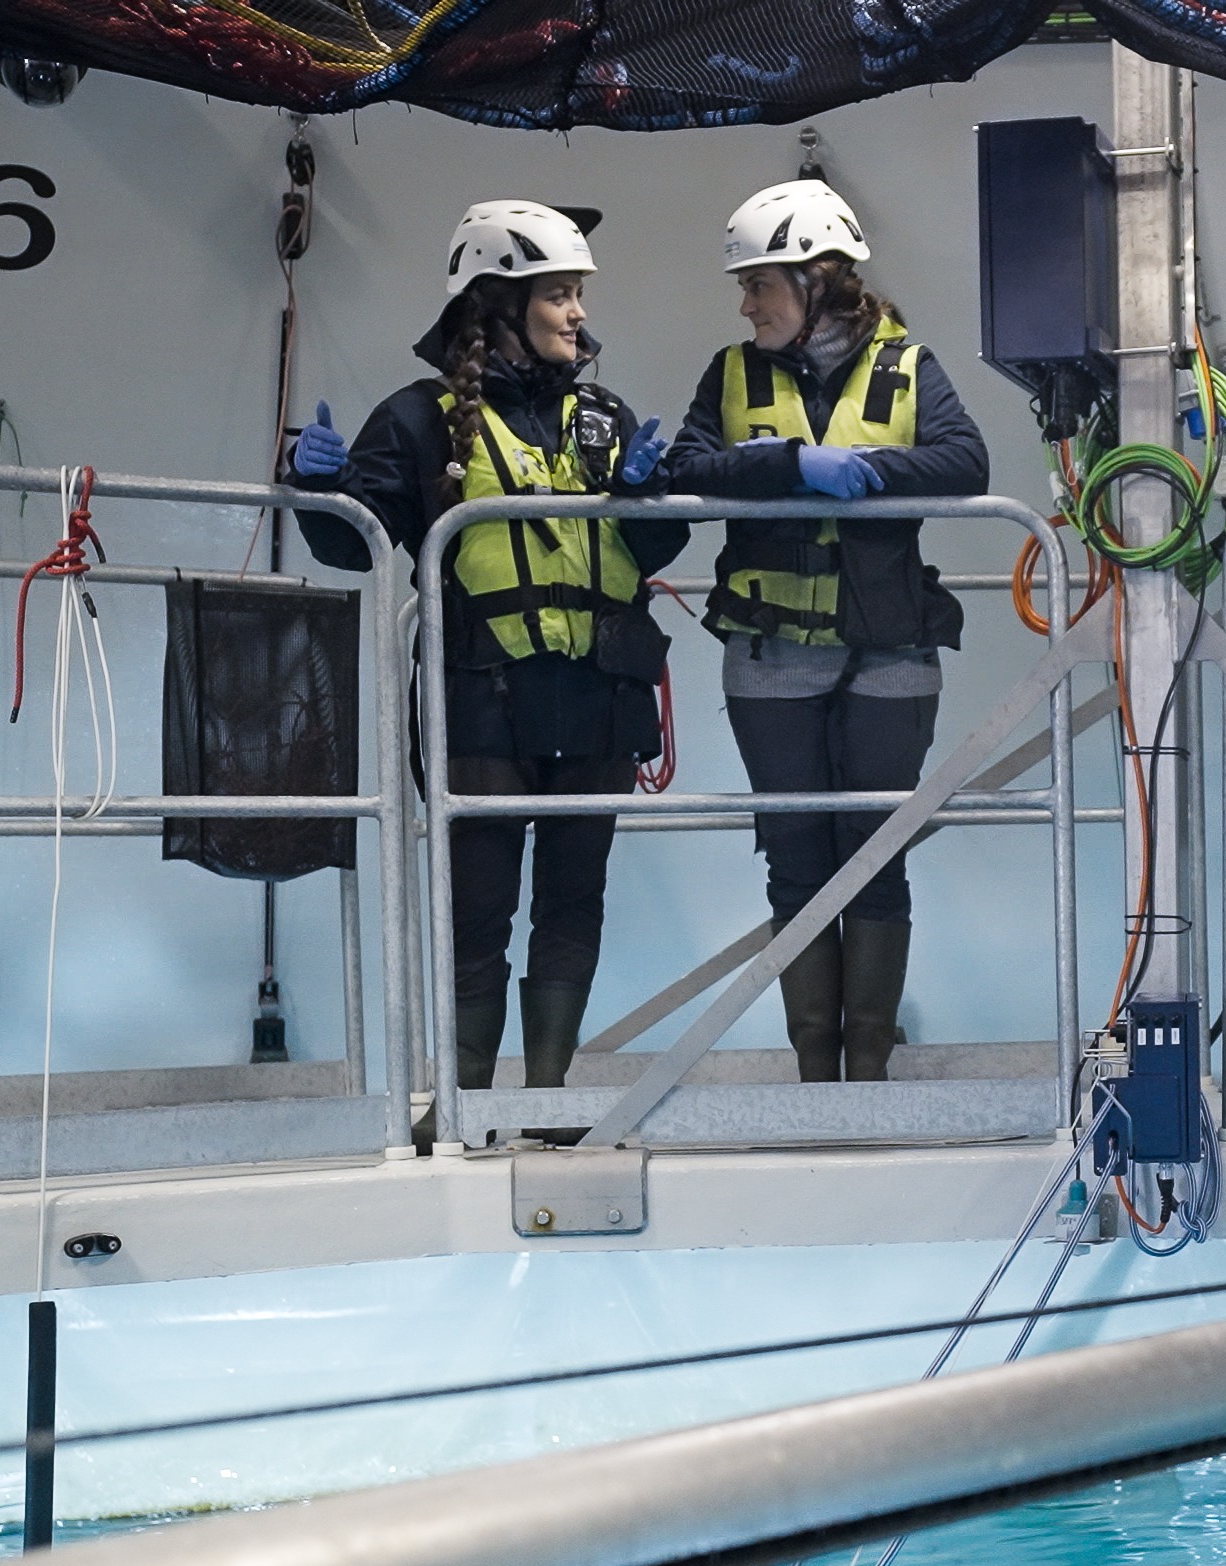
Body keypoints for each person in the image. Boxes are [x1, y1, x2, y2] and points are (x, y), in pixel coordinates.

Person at [283, 198, 686, 1122]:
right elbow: (355, 546)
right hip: (480, 701)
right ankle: (463, 1107)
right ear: (499, 304)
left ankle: (544, 1106)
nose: (579, 313)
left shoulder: (604, 416)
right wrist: (318, 489)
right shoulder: (417, 419)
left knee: (572, 908)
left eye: (578, 294)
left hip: (598, 698)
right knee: (477, 917)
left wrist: (649, 499)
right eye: (559, 294)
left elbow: (655, 556)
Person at [666, 179, 988, 1083]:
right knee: (798, 863)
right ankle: (817, 1077)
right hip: (771, 653)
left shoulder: (908, 364)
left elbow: (966, 461)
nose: (746, 303)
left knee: (876, 857)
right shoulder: (730, 373)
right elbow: (692, 464)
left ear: (816, 281)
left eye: (760, 283)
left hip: (891, 648)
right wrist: (792, 464)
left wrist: (870, 471)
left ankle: (870, 1076)